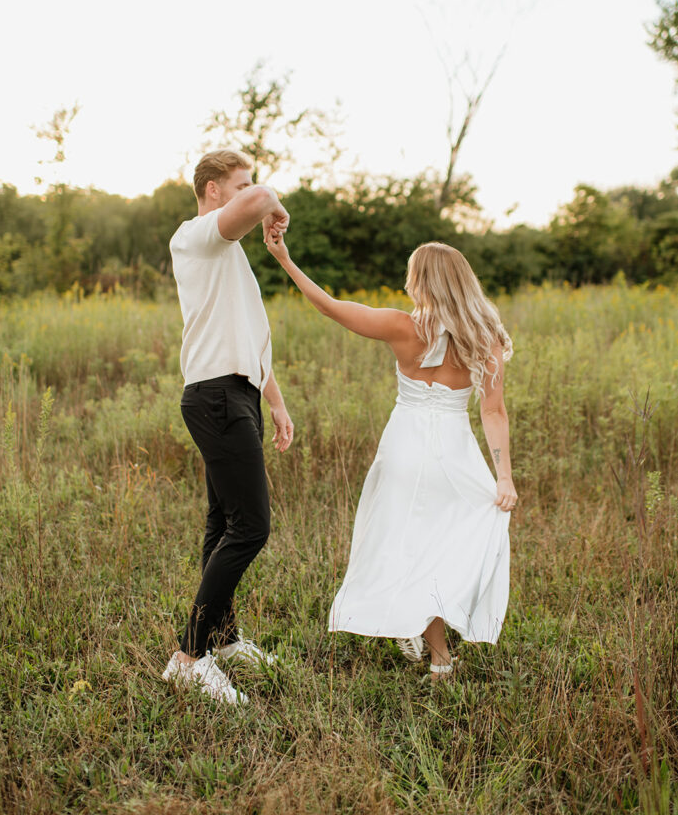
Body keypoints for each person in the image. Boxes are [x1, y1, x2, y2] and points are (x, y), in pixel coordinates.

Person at [265, 236, 516, 681]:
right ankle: (432, 648)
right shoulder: (485, 338)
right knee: (445, 543)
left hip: (405, 446)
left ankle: (431, 646)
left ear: (421, 281)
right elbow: (493, 411)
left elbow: (327, 305)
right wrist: (503, 478)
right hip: (453, 454)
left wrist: (285, 257)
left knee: (405, 542)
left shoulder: (403, 327)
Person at [162, 149, 294, 705]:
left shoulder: (230, 254)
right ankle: (189, 657)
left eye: (249, 187)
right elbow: (263, 198)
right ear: (213, 190)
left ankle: (224, 638)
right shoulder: (195, 236)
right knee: (251, 527)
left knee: (223, 522)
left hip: (238, 392)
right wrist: (270, 207)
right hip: (214, 395)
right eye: (237, 186)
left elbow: (249, 338)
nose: (249, 193)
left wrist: (278, 404)